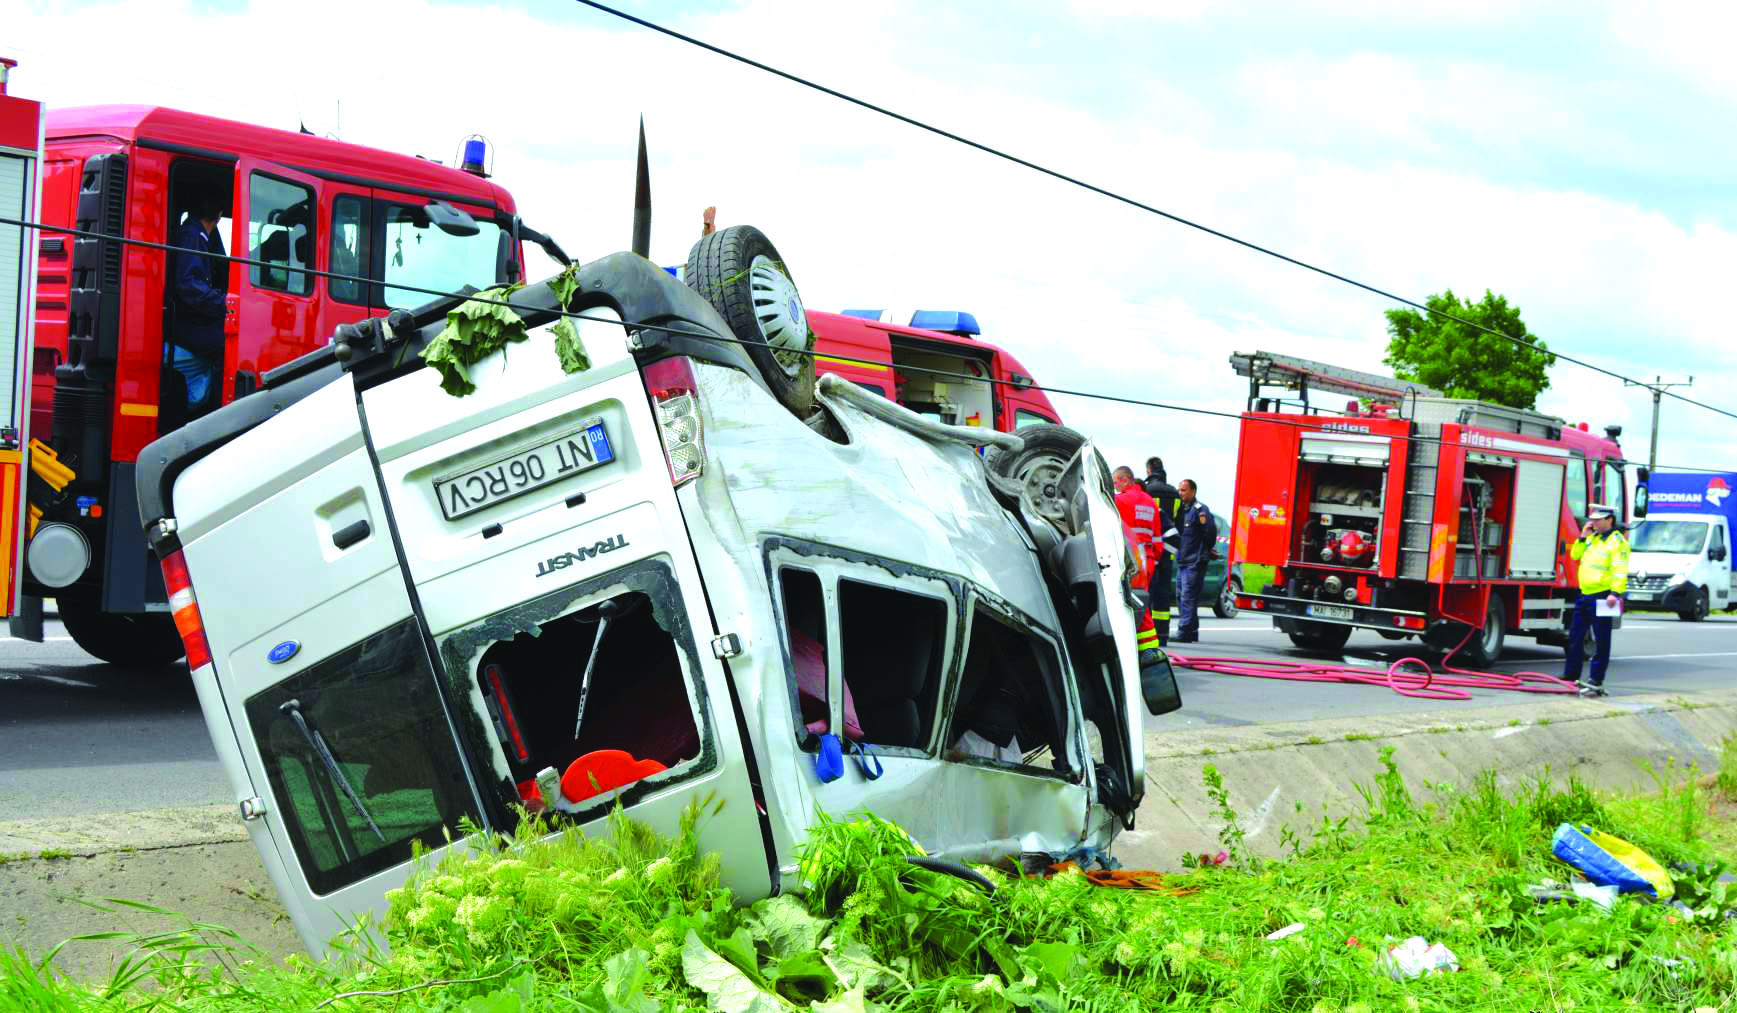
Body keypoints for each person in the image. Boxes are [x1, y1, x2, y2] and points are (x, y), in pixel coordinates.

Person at [165, 193, 228, 415]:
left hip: (185, 319)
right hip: (184, 323)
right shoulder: (193, 235)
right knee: (226, 342)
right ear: (219, 215)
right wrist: (223, 303)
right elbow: (189, 285)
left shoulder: (194, 234)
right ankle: (214, 413)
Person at [1563, 504, 1629, 698]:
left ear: (1609, 520)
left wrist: (1615, 593)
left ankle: (1596, 680)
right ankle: (1571, 675)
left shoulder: (1617, 542)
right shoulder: (1592, 538)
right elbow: (1575, 555)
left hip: (1604, 596)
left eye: (1598, 520)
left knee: (1601, 639)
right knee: (1575, 636)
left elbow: (1620, 569)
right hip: (1584, 594)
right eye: (1592, 520)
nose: (1593, 523)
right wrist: (1583, 536)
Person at [1112, 466, 1162, 658]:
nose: (1115, 487)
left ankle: (1148, 652)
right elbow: (1157, 538)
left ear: (1124, 480)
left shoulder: (1119, 500)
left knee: (1133, 605)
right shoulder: (1150, 502)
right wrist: (1153, 559)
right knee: (1141, 603)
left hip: (1130, 559)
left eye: (1115, 483)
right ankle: (1146, 649)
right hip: (1147, 560)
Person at [1141, 457, 1181, 646]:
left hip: (1150, 552)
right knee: (1163, 595)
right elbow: (1179, 527)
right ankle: (1163, 635)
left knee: (1147, 593)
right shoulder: (1175, 493)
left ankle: (1148, 635)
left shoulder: (1147, 491)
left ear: (1149, 470)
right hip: (1168, 551)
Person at [1174, 479, 1217, 644]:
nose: (1180, 493)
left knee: (1187, 597)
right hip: (1183, 560)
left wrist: (1205, 550)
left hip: (1195, 561)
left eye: (1184, 490)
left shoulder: (1200, 510)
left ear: (1193, 491)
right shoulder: (1181, 510)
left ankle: (1184, 631)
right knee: (1181, 596)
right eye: (1179, 490)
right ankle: (1192, 631)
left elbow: (1210, 533)